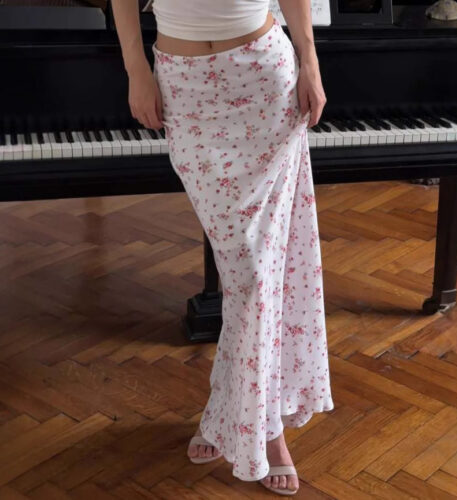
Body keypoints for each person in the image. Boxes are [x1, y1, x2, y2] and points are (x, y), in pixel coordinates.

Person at [111, 0, 335, 495]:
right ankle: (228, 412)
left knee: (255, 276)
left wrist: (310, 61)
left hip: (263, 80)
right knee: (245, 276)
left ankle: (265, 430)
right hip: (186, 89)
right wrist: (136, 71)